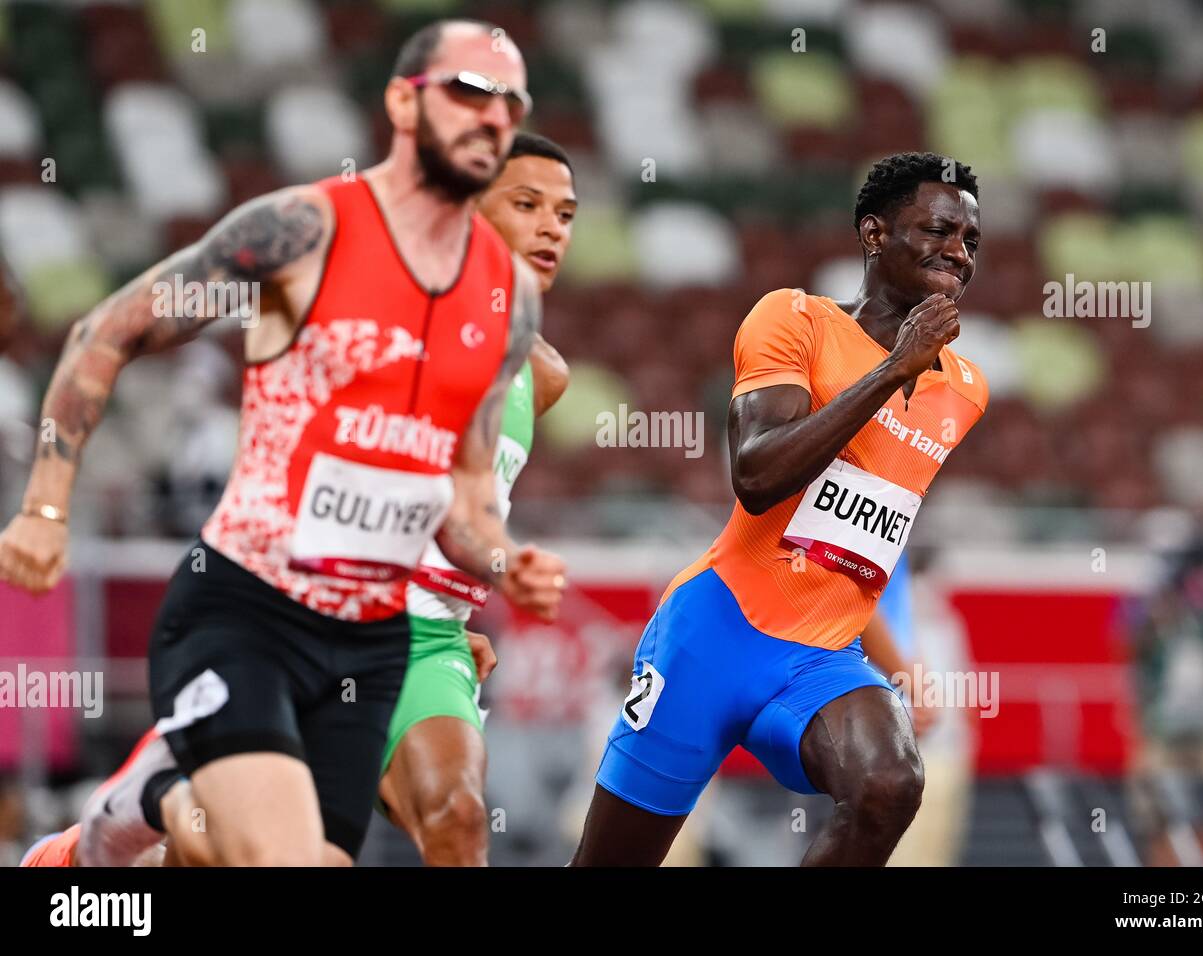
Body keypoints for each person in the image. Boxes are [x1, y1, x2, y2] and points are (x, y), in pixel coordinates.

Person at [3, 18, 565, 868]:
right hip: (254, 605)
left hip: (373, 639)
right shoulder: (309, 231)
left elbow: (465, 498)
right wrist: (45, 507)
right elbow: (107, 330)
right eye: (467, 97)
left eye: (506, 105)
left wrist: (498, 565)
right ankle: (139, 813)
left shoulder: (505, 309)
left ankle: (136, 826)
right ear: (403, 105)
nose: (488, 122)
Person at [571, 152, 988, 866]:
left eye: (971, 241)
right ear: (874, 234)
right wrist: (893, 369)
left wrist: (899, 665)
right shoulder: (793, 319)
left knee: (890, 783)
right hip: (714, 635)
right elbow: (756, 475)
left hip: (822, 658)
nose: (957, 252)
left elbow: (866, 541)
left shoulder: (965, 390)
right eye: (938, 230)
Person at [378, 132, 576, 865]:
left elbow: (469, 494)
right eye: (527, 204)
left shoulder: (544, 375)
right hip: (318, 615)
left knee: (459, 817)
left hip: (430, 637)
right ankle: (77, 866)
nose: (552, 226)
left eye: (565, 213)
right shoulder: (393, 317)